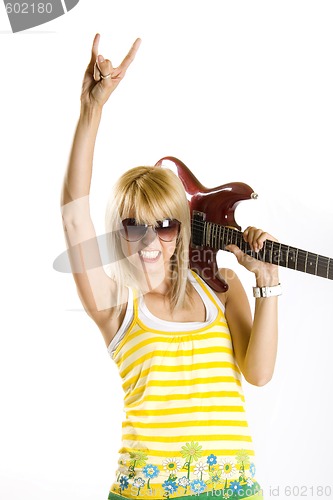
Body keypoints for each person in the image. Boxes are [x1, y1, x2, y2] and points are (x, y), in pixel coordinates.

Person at [61, 33, 280, 500]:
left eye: (163, 225)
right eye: (133, 227)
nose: (150, 242)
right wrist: (91, 110)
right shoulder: (116, 306)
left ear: (180, 229)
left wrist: (266, 284)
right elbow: (74, 212)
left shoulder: (221, 290)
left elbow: (258, 374)